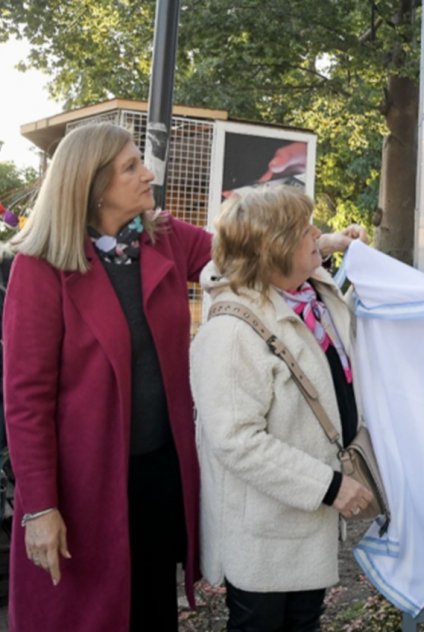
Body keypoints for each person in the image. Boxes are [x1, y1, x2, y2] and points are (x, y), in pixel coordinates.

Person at [1, 122, 358, 632]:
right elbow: (25, 398)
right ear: (94, 185)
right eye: (131, 167)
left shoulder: (163, 237)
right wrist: (39, 507)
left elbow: (252, 247)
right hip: (84, 486)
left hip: (159, 472)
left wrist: (327, 241)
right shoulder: (40, 267)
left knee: (150, 606)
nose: (148, 173)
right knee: (86, 613)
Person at [190, 185, 375, 632]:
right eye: (304, 229)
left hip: (301, 525)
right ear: (274, 249)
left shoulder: (307, 296)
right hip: (264, 538)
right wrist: (331, 486)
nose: (318, 233)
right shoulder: (232, 334)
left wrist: (338, 247)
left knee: (303, 622)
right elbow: (236, 441)